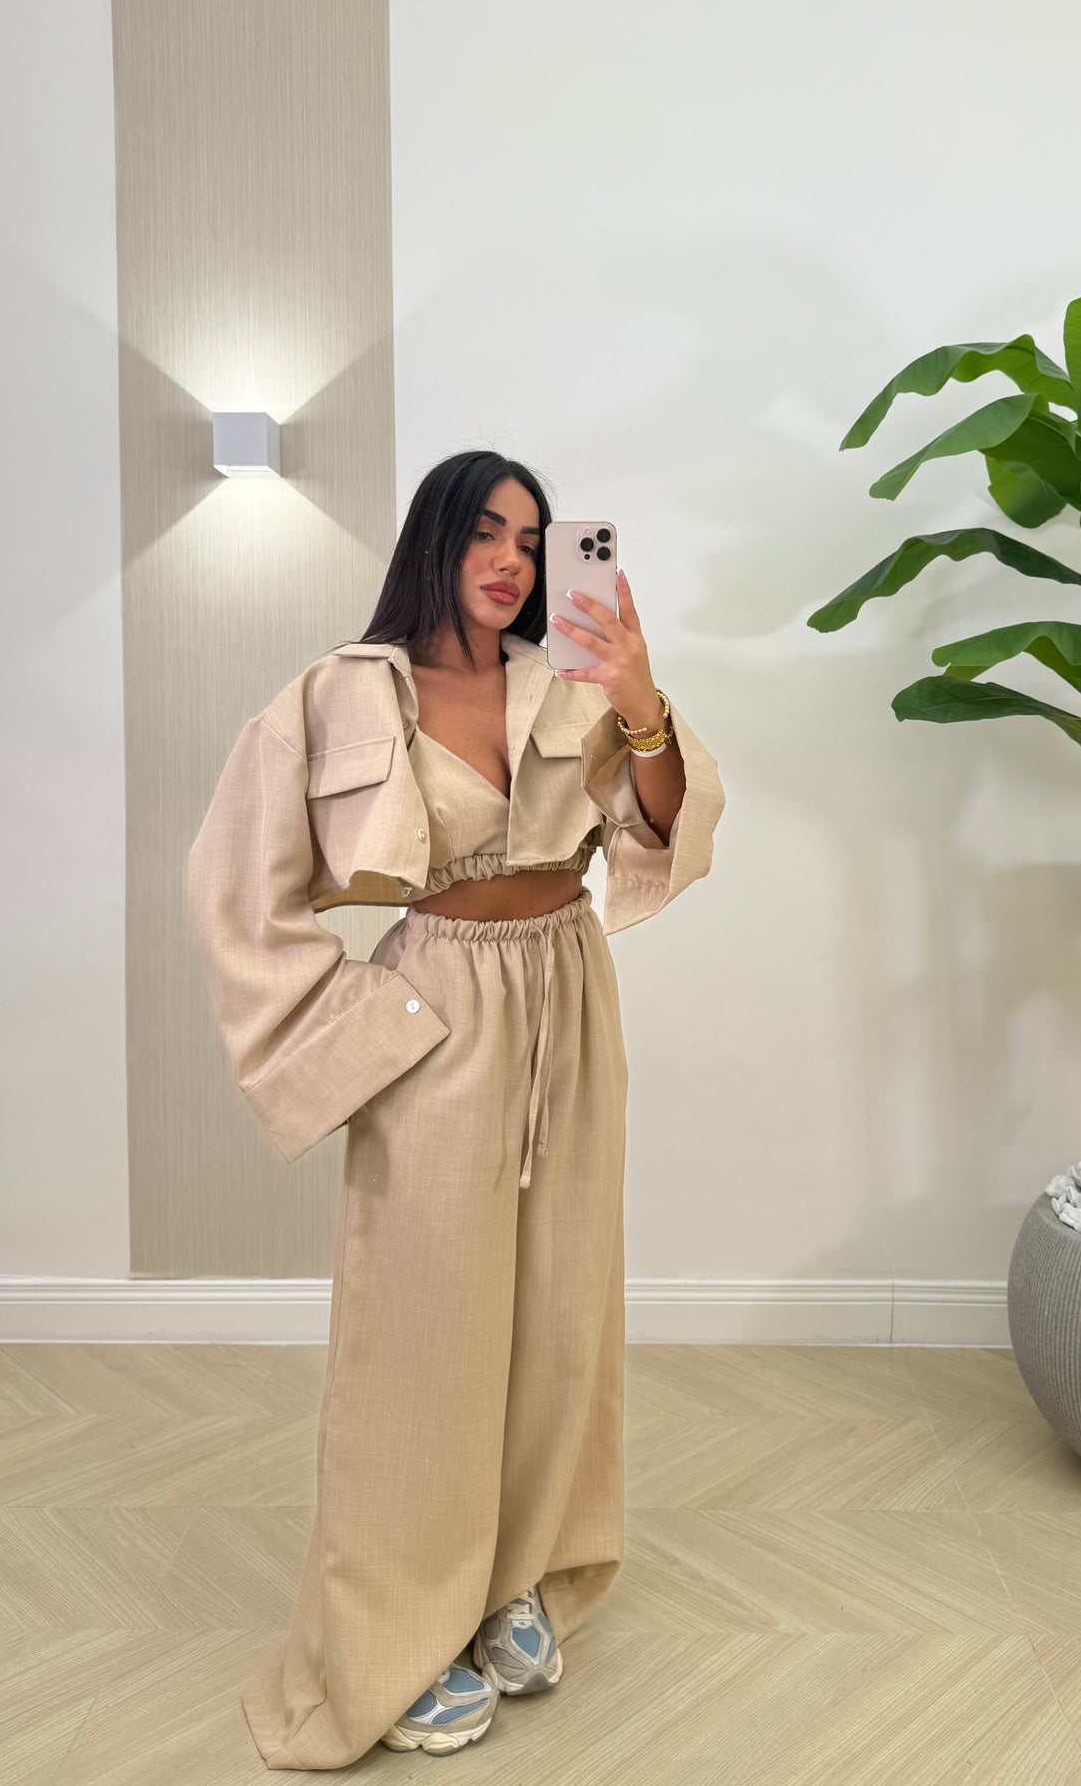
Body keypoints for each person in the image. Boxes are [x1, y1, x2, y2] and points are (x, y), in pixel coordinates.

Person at [186, 449, 725, 1767]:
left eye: (533, 541)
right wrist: (359, 1025)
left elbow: (662, 829)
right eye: (486, 531)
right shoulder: (341, 694)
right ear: (435, 537)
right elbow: (233, 884)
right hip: (437, 1004)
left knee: (559, 1307)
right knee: (420, 1334)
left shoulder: (572, 684)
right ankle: (398, 1628)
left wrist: (642, 702)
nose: (511, 560)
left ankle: (515, 1578)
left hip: (570, 989)